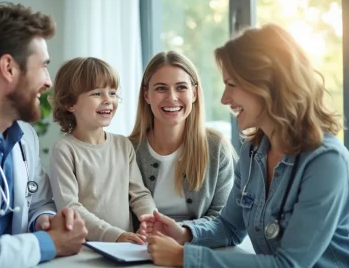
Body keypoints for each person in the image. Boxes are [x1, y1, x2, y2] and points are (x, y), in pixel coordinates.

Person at [140, 24, 349, 267]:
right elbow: (229, 226)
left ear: (266, 84)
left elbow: (289, 264)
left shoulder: (326, 161)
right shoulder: (252, 152)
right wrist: (183, 234)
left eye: (232, 84)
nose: (224, 99)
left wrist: (185, 257)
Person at [0, 3, 88, 268]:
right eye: (43, 66)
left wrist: (44, 221)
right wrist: (50, 243)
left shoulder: (24, 136)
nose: (48, 82)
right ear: (9, 68)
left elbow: (39, 202)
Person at [49, 57, 157, 244]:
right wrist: (114, 235)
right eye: (97, 93)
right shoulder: (64, 150)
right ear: (70, 103)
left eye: (113, 93)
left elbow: (140, 194)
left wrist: (149, 220)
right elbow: (70, 207)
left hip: (126, 247)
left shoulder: (123, 145)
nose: (108, 100)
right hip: (86, 248)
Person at [129, 51, 235, 227]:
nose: (172, 98)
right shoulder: (127, 150)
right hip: (139, 248)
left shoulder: (216, 147)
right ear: (146, 95)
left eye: (181, 87)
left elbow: (223, 218)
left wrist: (181, 232)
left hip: (198, 246)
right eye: (161, 88)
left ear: (194, 93)